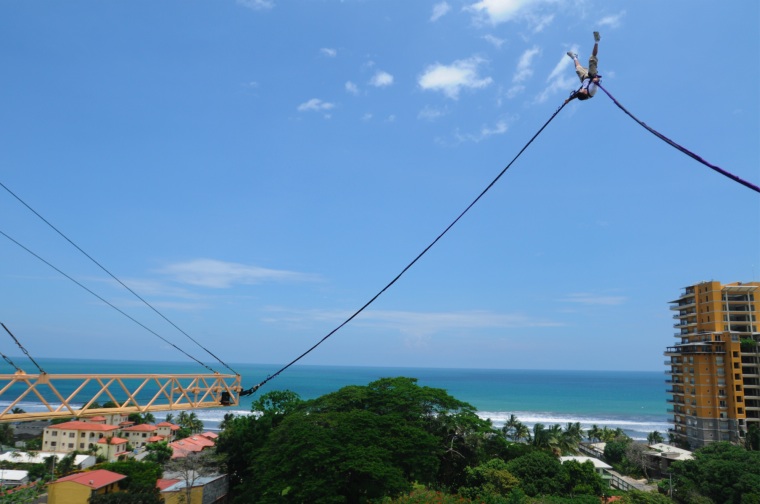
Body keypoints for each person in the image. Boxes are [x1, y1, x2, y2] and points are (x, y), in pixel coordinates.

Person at [565, 31, 601, 103]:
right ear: (584, 92)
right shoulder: (592, 91)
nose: (580, 89)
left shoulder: (581, 93)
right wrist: (596, 80)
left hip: (584, 78)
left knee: (578, 69)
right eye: (581, 90)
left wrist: (569, 100)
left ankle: (574, 57)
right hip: (592, 75)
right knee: (592, 59)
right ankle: (597, 41)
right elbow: (597, 81)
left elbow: (576, 95)